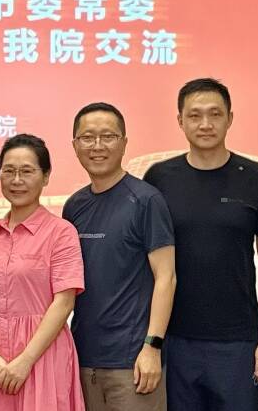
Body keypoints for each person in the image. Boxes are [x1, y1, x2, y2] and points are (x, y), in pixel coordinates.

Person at [143, 78, 258, 411]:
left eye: (215, 114)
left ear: (230, 118)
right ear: (180, 120)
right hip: (175, 339)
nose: (205, 124)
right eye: (194, 115)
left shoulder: (255, 176)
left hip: (237, 340)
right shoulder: (159, 178)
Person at [63, 102, 175, 411]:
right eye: (87, 137)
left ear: (124, 142)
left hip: (133, 362)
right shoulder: (74, 206)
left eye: (108, 136)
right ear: (75, 145)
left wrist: (152, 346)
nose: (97, 145)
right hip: (83, 358)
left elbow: (166, 277)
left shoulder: (146, 200)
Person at [0, 134, 86, 411]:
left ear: (46, 177)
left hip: (42, 355)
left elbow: (64, 301)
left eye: (27, 171)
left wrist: (26, 360)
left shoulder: (62, 232)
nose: (16, 180)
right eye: (9, 171)